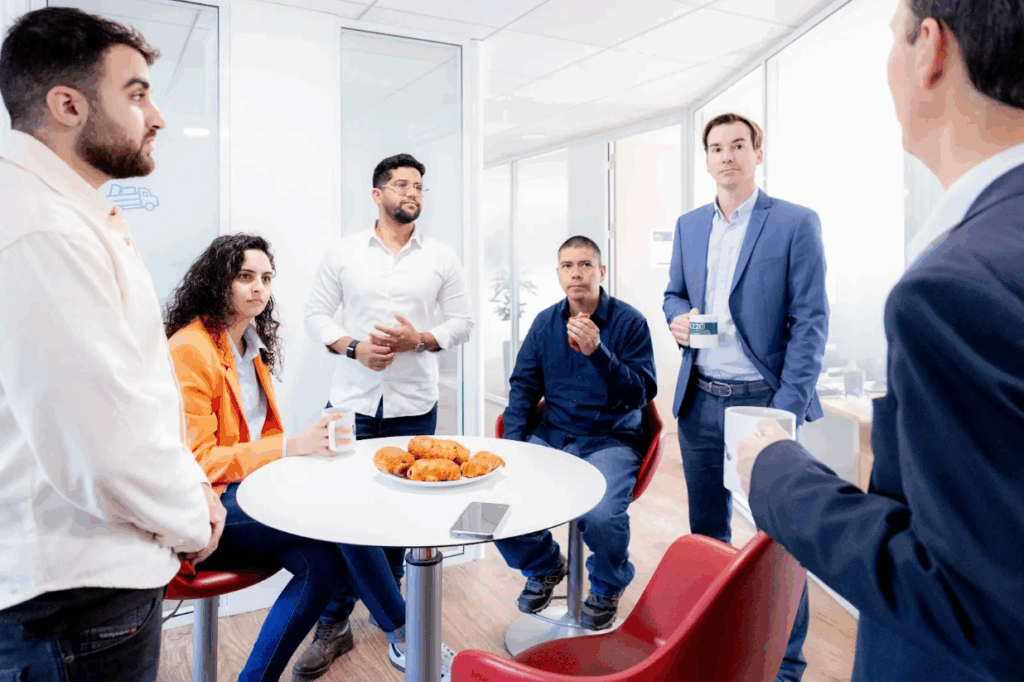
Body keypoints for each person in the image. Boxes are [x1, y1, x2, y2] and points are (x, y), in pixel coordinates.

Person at [738, 1, 1024, 680]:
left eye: (891, 40)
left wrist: (775, 472)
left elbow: (969, 597)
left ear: (929, 49)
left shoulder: (960, 287)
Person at [0, 8, 222, 681]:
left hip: (77, 587)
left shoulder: (62, 212)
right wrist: (195, 515)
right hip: (74, 602)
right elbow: (103, 448)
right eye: (135, 93)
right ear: (66, 104)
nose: (155, 116)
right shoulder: (43, 231)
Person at [166, 233, 455, 681]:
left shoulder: (249, 345)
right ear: (217, 281)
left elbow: (264, 436)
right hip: (204, 505)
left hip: (245, 493)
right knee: (340, 513)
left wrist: (304, 459)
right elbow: (201, 461)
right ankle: (407, 636)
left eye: (266, 278)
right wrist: (292, 448)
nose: (258, 288)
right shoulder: (191, 347)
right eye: (245, 277)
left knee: (321, 567)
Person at [662, 111, 828, 681]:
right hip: (700, 401)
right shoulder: (688, 226)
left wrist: (786, 406)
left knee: (777, 538)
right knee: (706, 535)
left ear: (758, 153)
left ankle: (786, 666)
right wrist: (678, 319)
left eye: (738, 145)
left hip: (763, 401)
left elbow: (811, 322)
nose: (726, 155)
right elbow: (673, 294)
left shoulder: (794, 223)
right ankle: (717, 650)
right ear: (706, 158)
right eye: (715, 147)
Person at [300, 152, 472, 674]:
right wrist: (353, 347)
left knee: (398, 519)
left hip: (414, 407)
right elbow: (315, 314)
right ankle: (349, 622)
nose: (413, 193)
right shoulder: (344, 253)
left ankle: (385, 620)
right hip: (350, 403)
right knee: (344, 518)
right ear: (377, 195)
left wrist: (420, 339)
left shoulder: (441, 257)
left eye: (419, 185)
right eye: (401, 184)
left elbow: (463, 320)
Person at [495, 235, 657, 630]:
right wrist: (512, 450)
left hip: (610, 438)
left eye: (585, 265)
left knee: (601, 516)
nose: (577, 273)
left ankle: (606, 585)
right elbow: (523, 389)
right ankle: (546, 565)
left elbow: (641, 393)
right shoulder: (544, 323)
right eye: (567, 266)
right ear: (558, 275)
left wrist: (598, 353)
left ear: (601, 272)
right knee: (496, 505)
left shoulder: (629, 322)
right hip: (553, 435)